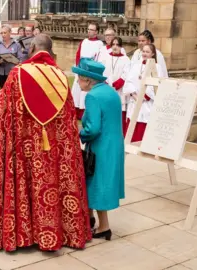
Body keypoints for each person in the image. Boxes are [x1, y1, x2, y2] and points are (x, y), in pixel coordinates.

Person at [0, 34, 92, 252]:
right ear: (50, 50)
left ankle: (23, 234)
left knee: (24, 183)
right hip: (53, 152)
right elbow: (68, 120)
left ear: (31, 48)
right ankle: (59, 231)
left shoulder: (18, 73)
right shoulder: (61, 76)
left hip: (24, 149)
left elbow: (2, 107)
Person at [73, 58, 125, 239]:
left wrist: (78, 135)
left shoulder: (93, 96)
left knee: (95, 184)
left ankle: (100, 225)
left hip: (100, 147)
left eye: (79, 78)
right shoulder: (110, 91)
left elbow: (93, 128)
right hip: (114, 145)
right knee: (98, 185)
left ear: (87, 80)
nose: (77, 82)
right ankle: (97, 222)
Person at [124, 44, 166, 142]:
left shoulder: (157, 67)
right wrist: (134, 94)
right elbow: (129, 81)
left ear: (152, 54)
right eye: (143, 51)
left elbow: (157, 84)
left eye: (147, 52)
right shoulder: (136, 66)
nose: (145, 54)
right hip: (134, 101)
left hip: (147, 103)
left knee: (143, 129)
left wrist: (144, 96)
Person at [71, 23, 104, 120]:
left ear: (96, 32)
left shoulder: (99, 44)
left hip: (90, 70)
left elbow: (98, 58)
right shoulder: (84, 41)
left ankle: (86, 112)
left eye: (92, 30)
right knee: (77, 90)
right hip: (81, 69)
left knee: (87, 90)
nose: (89, 31)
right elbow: (78, 55)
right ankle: (76, 112)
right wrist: (78, 68)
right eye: (88, 29)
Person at [102, 37, 131, 135]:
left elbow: (125, 74)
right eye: (113, 44)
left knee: (119, 113)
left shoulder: (126, 59)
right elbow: (102, 72)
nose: (115, 47)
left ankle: (119, 134)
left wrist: (116, 85)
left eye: (117, 45)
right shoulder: (106, 57)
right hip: (107, 88)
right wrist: (107, 84)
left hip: (119, 90)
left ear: (121, 46)